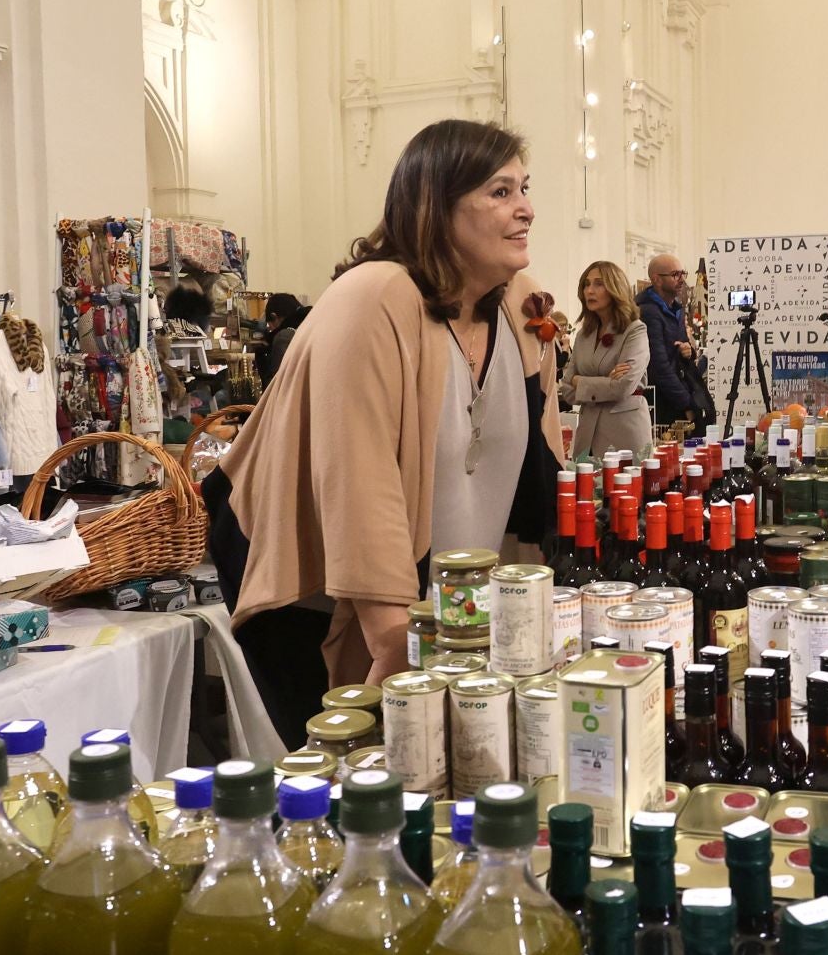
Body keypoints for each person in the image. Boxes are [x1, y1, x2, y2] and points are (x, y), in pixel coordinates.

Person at [203, 119, 561, 737]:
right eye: (500, 193)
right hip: (316, 591)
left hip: (426, 594)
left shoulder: (518, 304)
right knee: (367, 773)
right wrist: (394, 655)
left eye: (524, 188)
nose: (526, 209)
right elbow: (357, 485)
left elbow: (537, 463)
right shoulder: (372, 298)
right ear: (436, 206)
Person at [562, 260, 652, 461]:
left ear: (615, 289)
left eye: (598, 284)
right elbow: (567, 389)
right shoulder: (584, 335)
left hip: (624, 433)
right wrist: (605, 382)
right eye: (586, 284)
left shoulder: (635, 330)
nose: (589, 291)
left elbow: (623, 386)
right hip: (587, 436)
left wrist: (580, 381)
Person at [639, 253, 703, 424]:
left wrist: (689, 351)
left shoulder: (676, 308)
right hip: (661, 402)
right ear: (657, 279)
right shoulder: (648, 312)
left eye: (683, 273)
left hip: (677, 392)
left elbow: (684, 348)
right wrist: (687, 404)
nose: (681, 279)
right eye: (675, 274)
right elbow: (659, 366)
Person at [259, 292, 304, 388]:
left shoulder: (283, 337)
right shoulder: (307, 328)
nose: (270, 331)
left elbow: (278, 384)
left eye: (269, 327)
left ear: (274, 317)